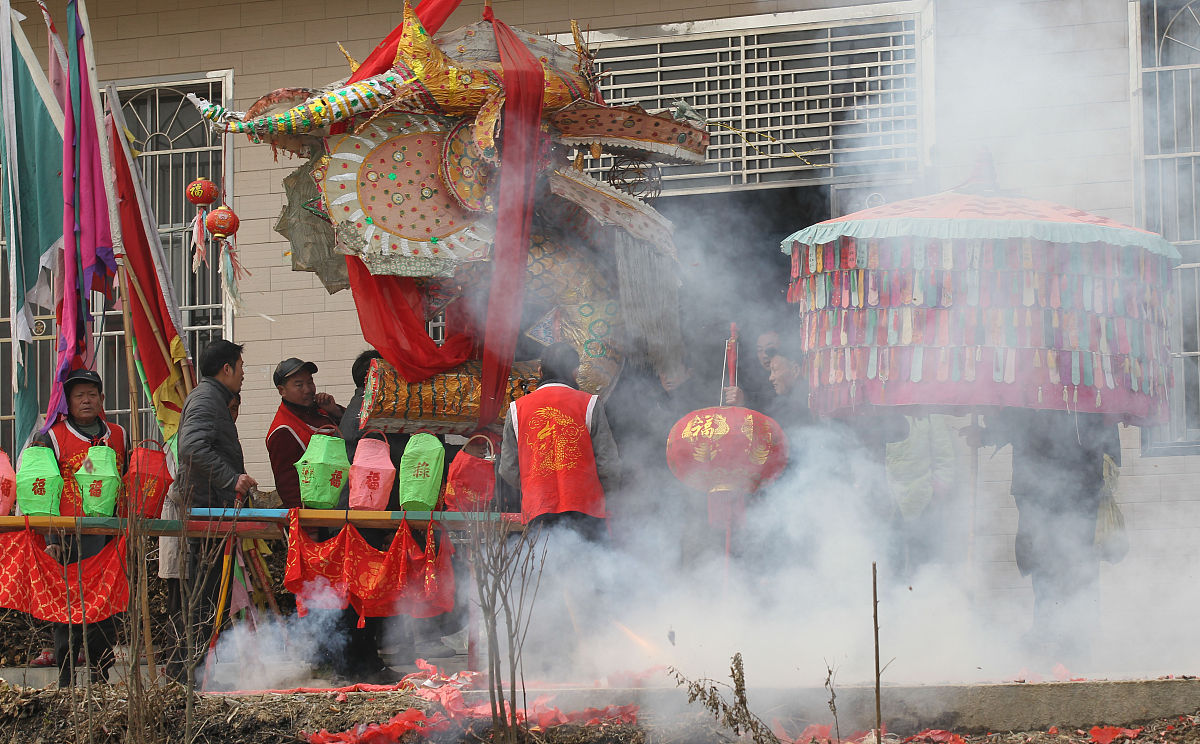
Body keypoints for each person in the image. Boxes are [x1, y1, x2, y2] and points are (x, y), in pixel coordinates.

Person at [967, 409, 1120, 668]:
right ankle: (1046, 627)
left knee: (1079, 560)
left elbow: (1105, 422)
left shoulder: (1086, 377)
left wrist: (1108, 463)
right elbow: (1014, 417)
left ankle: (1078, 636)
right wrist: (985, 434)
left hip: (1081, 482)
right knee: (1040, 558)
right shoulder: (1026, 376)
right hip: (1034, 484)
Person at [33, 369, 126, 687]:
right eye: (78, 395)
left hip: (106, 535)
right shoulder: (53, 437)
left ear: (102, 398)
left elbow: (124, 479)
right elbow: (41, 490)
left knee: (103, 605)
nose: (86, 400)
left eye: (91, 394)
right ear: (68, 402)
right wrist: (50, 537)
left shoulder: (117, 434)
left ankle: (101, 674)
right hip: (66, 533)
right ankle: (65, 679)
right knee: (66, 605)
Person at [174, 340, 257, 683]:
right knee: (203, 601)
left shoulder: (211, 398)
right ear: (226, 369)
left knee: (209, 600)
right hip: (205, 513)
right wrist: (232, 478)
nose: (242, 376)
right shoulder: (207, 399)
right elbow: (191, 448)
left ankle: (199, 676)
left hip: (212, 512)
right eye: (240, 368)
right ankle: (189, 678)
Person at [499, 343, 620, 539]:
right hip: (586, 510)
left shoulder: (516, 410)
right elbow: (608, 465)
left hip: (538, 510)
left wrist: (534, 484)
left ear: (539, 371)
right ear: (575, 372)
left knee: (545, 568)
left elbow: (508, 469)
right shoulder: (590, 404)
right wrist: (603, 494)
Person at [266, 357, 345, 509]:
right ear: (282, 391)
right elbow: (288, 486)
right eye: (299, 385)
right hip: (317, 514)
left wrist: (335, 411)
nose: (308, 389)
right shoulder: (283, 430)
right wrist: (309, 526)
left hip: (340, 502)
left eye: (310, 382)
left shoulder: (322, 409)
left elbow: (353, 432)